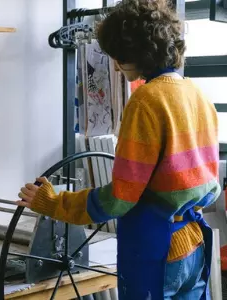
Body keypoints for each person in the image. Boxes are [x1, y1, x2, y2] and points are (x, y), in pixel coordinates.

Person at [17, 0, 221, 299]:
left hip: (157, 249)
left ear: (138, 52)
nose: (115, 64)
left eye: (118, 56)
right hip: (194, 245)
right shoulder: (198, 94)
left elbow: (120, 198)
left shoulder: (147, 100)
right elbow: (208, 184)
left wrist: (54, 203)